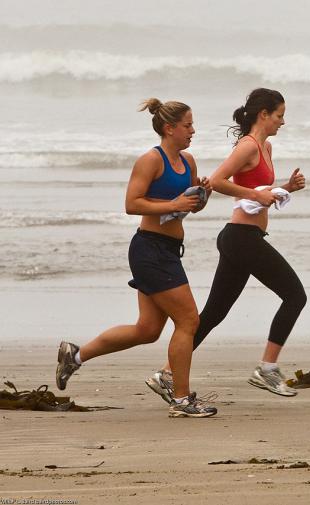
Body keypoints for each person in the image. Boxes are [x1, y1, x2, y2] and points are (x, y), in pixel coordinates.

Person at [55, 98, 217, 418]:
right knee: (188, 321)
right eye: (187, 125)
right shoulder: (150, 161)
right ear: (169, 128)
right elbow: (132, 203)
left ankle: (75, 356)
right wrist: (173, 205)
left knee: (147, 329)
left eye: (192, 125)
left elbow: (187, 208)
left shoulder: (189, 162)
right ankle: (182, 399)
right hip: (149, 250)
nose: (193, 131)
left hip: (168, 250)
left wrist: (201, 198)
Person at [145, 88, 307, 403]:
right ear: (264, 114)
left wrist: (285, 188)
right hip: (241, 238)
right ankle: (267, 368)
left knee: (215, 312)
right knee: (295, 295)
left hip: (242, 238)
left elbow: (257, 188)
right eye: (279, 115)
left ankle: (165, 373)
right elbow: (217, 180)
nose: (282, 122)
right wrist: (256, 196)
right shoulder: (248, 146)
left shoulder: (266, 147)